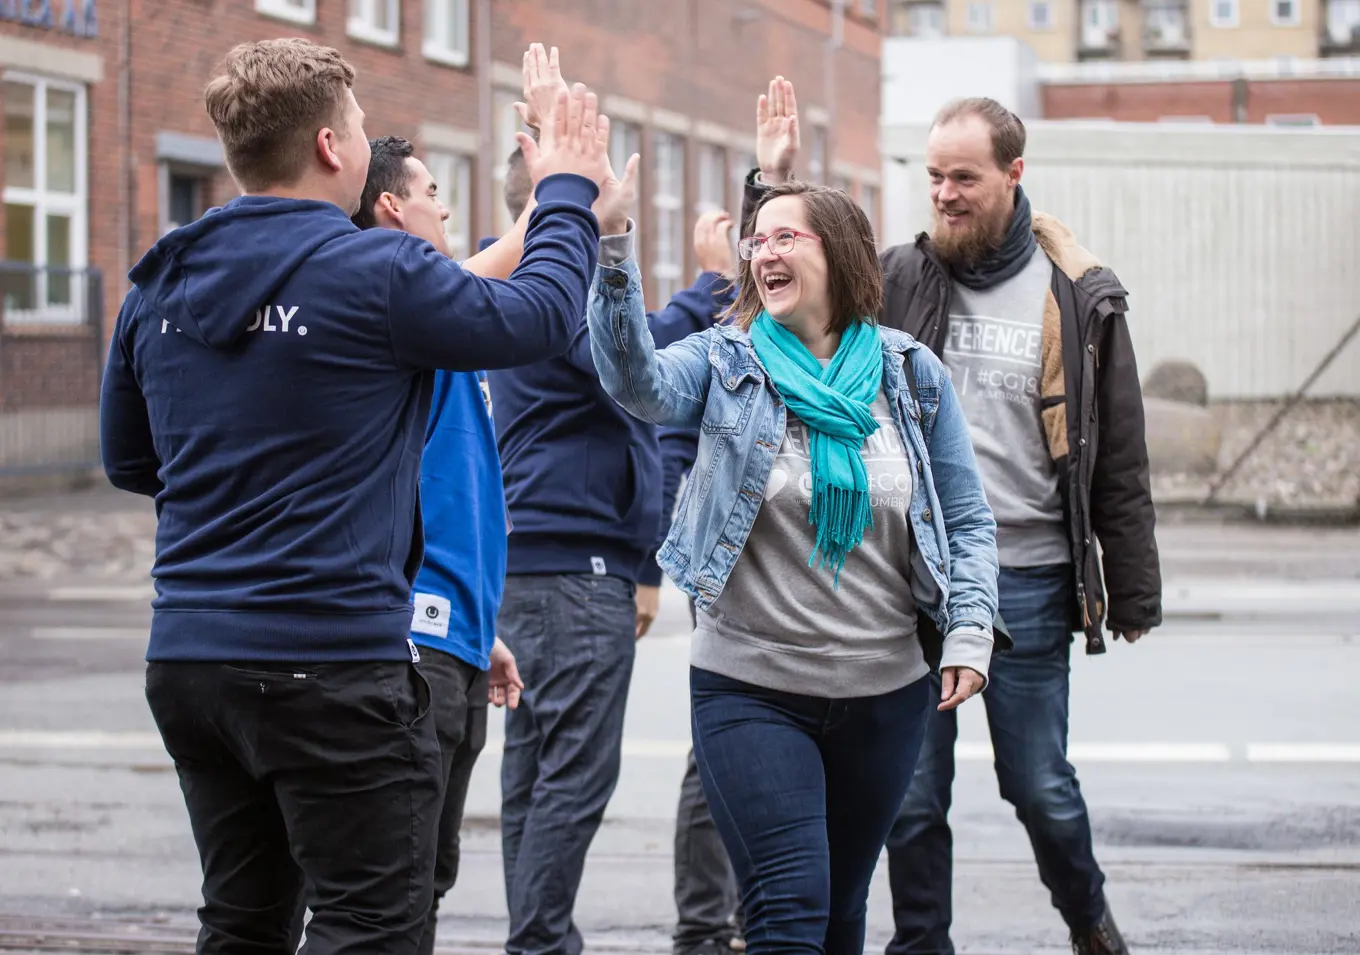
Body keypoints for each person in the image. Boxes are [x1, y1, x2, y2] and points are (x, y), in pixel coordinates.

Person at [99, 36, 611, 954]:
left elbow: (135, 463)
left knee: (243, 920)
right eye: (362, 128)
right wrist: (569, 186)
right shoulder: (376, 272)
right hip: (330, 665)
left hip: (190, 663)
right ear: (333, 147)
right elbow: (537, 315)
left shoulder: (159, 280)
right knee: (372, 925)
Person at [745, 90, 1160, 955]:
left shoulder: (1078, 295)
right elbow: (785, 290)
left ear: (1014, 173)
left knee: (1040, 783)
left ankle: (1087, 916)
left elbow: (1116, 453)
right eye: (933, 176)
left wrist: (1132, 587)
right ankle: (923, 943)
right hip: (915, 579)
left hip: (1032, 582)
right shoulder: (897, 278)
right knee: (912, 792)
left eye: (963, 177)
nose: (945, 194)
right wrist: (772, 185)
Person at [588, 163, 1001, 950]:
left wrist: (971, 630)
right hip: (752, 688)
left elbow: (969, 518)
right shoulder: (725, 361)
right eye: (756, 240)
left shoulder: (911, 374)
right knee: (789, 909)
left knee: (841, 914)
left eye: (785, 236)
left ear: (840, 253)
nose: (762, 252)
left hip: (885, 695)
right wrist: (612, 246)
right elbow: (636, 386)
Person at [489, 119, 740, 955]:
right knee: (574, 773)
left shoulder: (514, 280)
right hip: (569, 565)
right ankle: (541, 940)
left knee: (536, 768)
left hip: (545, 561)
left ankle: (537, 936)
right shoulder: (542, 282)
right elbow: (635, 363)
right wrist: (708, 286)